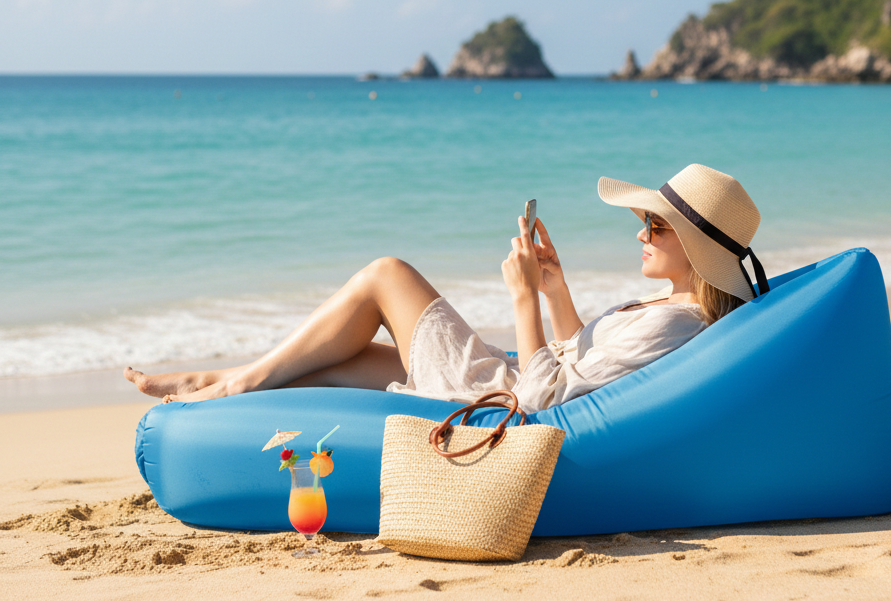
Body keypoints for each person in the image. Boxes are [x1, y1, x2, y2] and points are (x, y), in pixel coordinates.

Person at [124, 163, 768, 414]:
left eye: (655, 225)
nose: (641, 235)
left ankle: (231, 384)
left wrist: (520, 299)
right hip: (507, 379)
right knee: (348, 363)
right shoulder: (674, 311)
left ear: (696, 247)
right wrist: (554, 289)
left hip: (500, 397)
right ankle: (224, 381)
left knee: (387, 274)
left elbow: (546, 403)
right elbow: (585, 361)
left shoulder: (675, 325)